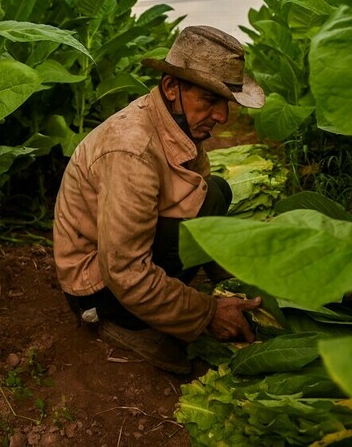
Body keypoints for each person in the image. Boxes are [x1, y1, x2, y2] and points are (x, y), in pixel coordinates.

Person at [52, 26, 265, 374]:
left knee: (214, 192)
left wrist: (228, 278)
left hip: (124, 257)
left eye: (225, 102)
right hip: (99, 284)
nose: (222, 117)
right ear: (170, 88)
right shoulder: (131, 149)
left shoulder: (178, 124)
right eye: (209, 100)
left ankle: (157, 305)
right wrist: (208, 312)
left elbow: (198, 196)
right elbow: (125, 270)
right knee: (202, 205)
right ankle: (122, 324)